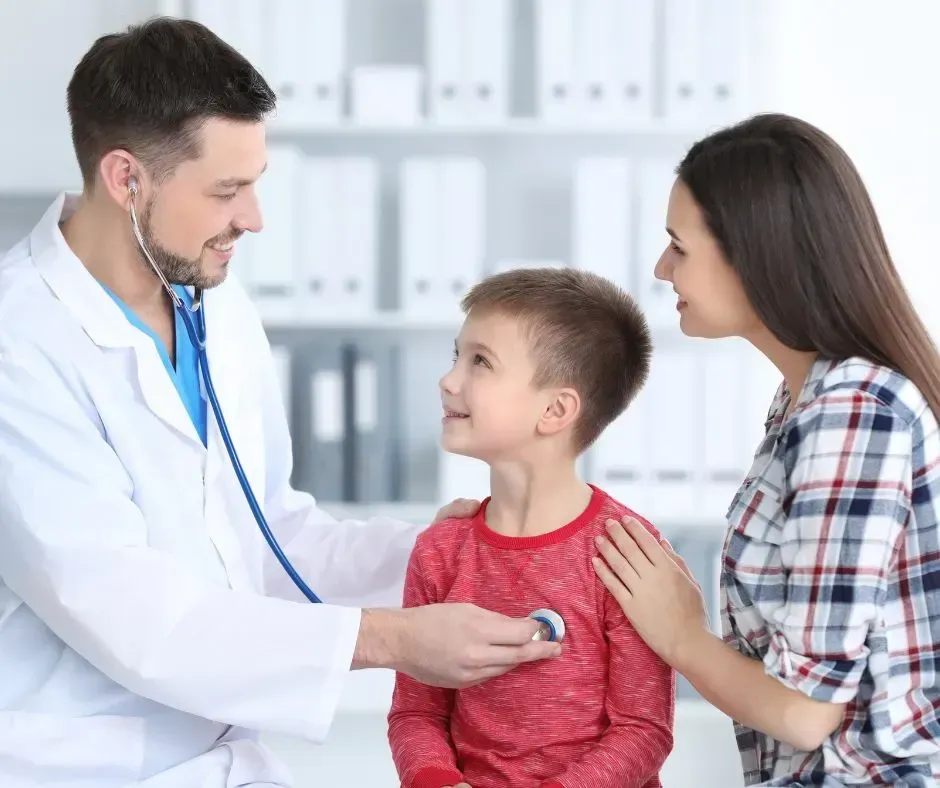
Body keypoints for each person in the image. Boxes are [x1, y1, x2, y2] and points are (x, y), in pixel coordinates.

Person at [0, 17, 561, 787]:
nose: (253, 218)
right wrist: (395, 641)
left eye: (255, 182)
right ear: (125, 178)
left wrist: (437, 553)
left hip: (221, 758)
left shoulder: (210, 303)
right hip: (83, 767)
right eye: (227, 190)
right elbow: (133, 616)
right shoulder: (18, 346)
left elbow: (265, 533)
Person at [590, 113, 940, 786]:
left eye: (679, 247)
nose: (662, 270)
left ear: (756, 253)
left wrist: (680, 634)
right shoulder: (806, 399)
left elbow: (806, 713)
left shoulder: (853, 410)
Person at [387, 268, 676, 788]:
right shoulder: (441, 550)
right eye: (457, 355)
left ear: (556, 409)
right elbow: (416, 713)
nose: (449, 380)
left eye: (481, 362)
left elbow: (643, 730)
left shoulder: (627, 551)